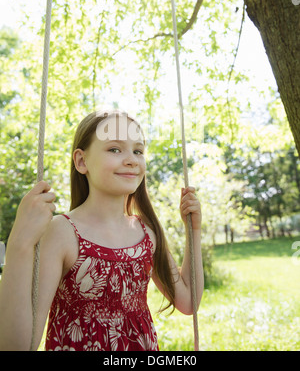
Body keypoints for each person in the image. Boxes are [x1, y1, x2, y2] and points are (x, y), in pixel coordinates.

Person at [0, 110, 203, 351]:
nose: (131, 159)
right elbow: (20, 345)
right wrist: (19, 246)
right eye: (115, 149)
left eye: (138, 151)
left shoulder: (147, 234)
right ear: (81, 161)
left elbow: (188, 301)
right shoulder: (62, 232)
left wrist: (194, 231)